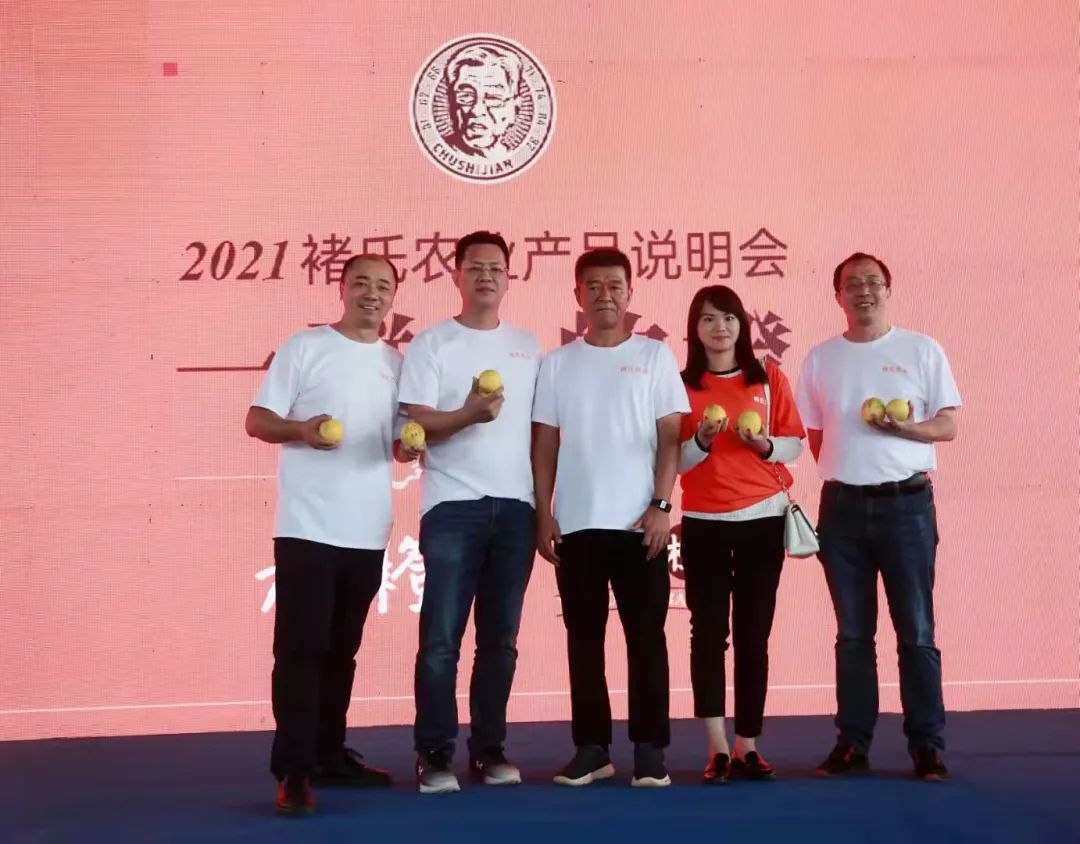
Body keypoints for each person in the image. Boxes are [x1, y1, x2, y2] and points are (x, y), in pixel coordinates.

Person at [245, 254, 420, 817]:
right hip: (308, 527)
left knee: (342, 650)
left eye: (383, 285)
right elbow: (257, 419)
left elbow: (400, 443)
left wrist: (410, 446)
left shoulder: (397, 363)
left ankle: (328, 754)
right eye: (361, 282)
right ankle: (294, 771)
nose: (372, 293)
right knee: (302, 648)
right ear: (341, 288)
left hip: (367, 530)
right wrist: (302, 429)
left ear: (393, 296)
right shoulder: (306, 347)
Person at [795, 252, 961, 782]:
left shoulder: (921, 349)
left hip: (907, 506)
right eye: (852, 284)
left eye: (872, 282)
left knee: (916, 630)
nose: (863, 290)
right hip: (842, 509)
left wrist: (905, 432)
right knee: (852, 634)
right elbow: (815, 436)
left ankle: (927, 746)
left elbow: (948, 424)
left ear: (888, 290)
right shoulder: (820, 359)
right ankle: (852, 743)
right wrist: (851, 470)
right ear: (837, 296)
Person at [532, 247, 689, 788]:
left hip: (640, 525)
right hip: (576, 524)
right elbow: (545, 442)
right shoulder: (558, 363)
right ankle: (592, 748)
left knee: (646, 638)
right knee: (583, 639)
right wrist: (543, 512)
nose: (605, 295)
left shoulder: (654, 356)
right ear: (577, 295)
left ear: (630, 293)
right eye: (593, 286)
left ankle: (649, 749)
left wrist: (662, 505)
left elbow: (671, 436)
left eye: (615, 285)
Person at [398, 230, 541, 794]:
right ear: (455, 274)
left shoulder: (528, 347)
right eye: (475, 267)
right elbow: (415, 422)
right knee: (441, 640)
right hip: (452, 505)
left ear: (509, 277)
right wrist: (467, 415)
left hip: (517, 509)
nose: (486, 276)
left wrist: (543, 506)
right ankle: (434, 753)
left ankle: (489, 749)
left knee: (500, 641)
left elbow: (541, 433)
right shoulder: (432, 344)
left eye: (496, 268)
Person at [677, 285, 805, 784]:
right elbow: (673, 461)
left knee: (754, 635)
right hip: (704, 522)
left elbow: (794, 445)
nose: (720, 327)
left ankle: (748, 744)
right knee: (708, 634)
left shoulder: (768, 377)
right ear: (695, 329)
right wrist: (702, 440)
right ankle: (716, 748)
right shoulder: (680, 385)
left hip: (763, 519)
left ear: (742, 326)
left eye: (728, 317)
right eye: (709, 319)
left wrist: (764, 444)